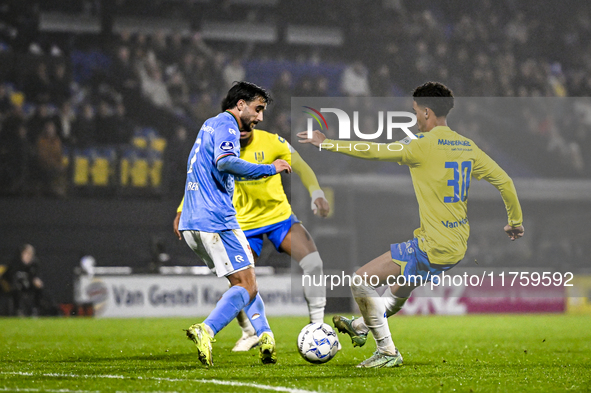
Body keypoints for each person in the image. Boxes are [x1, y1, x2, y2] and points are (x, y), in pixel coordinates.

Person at [298, 81, 524, 368]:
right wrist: (515, 222)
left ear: (427, 112)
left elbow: (373, 150)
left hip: (433, 244)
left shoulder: (421, 145)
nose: (415, 117)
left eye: (415, 111)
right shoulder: (468, 146)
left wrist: (326, 143)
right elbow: (505, 181)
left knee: (360, 280)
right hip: (456, 245)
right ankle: (361, 327)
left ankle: (387, 351)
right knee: (398, 290)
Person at [174, 125, 331, 351]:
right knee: (240, 283)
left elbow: (302, 167)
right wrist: (182, 209)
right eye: (239, 126)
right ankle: (249, 331)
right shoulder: (221, 147)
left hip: (279, 217)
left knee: (314, 263)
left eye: (250, 124)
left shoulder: (273, 142)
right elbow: (199, 180)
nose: (244, 129)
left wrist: (317, 193)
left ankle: (318, 328)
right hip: (242, 223)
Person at [178, 81, 291, 367]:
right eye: (258, 108)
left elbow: (218, 169)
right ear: (240, 104)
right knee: (247, 283)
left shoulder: (210, 126)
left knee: (245, 282)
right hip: (216, 220)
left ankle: (265, 336)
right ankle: (207, 329)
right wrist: (269, 169)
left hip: (194, 222)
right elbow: (226, 162)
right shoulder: (227, 123)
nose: (260, 117)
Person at [5, 244, 44, 316]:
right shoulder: (15, 263)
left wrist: (36, 280)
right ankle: (17, 310)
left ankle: (35, 310)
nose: (28, 256)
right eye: (27, 253)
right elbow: (7, 276)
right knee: (15, 290)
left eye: (30, 254)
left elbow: (36, 276)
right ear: (22, 253)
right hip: (16, 286)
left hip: (29, 285)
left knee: (39, 288)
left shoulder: (35, 263)